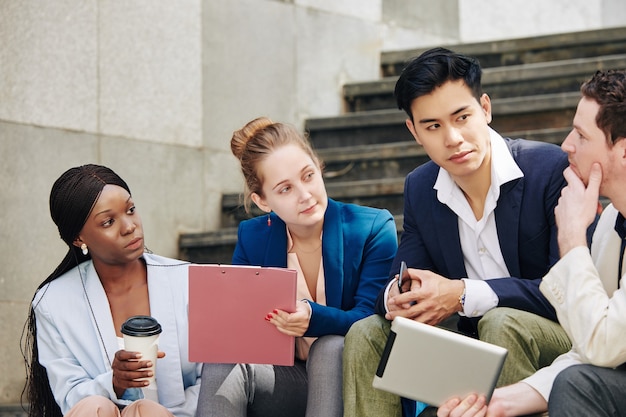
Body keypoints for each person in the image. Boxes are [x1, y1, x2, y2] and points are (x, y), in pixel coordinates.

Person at [342, 47, 579, 417]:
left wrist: (462, 294)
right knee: (366, 334)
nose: (452, 138)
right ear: (414, 131)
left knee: (503, 322)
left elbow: (566, 294)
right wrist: (401, 296)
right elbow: (403, 275)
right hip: (467, 351)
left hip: (556, 342)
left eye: (462, 117)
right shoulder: (421, 187)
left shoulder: (548, 170)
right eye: (432, 126)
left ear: (485, 108)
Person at [437, 69, 626, 417]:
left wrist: (571, 238)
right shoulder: (613, 221)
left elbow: (603, 346)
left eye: (582, 136)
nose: (567, 144)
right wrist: (500, 403)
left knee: (577, 384)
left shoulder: (588, 226)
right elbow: (583, 347)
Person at [194, 117, 398, 417]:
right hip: (291, 380)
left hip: (357, 379)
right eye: (285, 189)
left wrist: (313, 318)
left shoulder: (372, 228)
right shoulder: (253, 236)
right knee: (222, 361)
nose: (305, 195)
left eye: (308, 176)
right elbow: (240, 328)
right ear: (263, 201)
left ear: (318, 167)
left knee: (329, 348)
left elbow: (370, 318)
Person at [22, 164, 202, 417]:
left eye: (130, 210)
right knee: (94, 406)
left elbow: (214, 378)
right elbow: (70, 395)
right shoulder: (53, 302)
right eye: (108, 221)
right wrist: (114, 382)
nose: (129, 226)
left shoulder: (188, 280)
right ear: (78, 239)